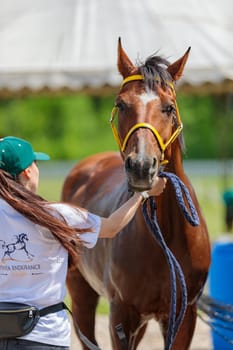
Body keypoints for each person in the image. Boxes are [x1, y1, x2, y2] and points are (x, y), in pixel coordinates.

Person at [0, 136, 166, 350]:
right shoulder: (56, 216)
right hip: (44, 336)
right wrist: (143, 194)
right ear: (27, 172)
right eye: (36, 163)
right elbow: (112, 227)